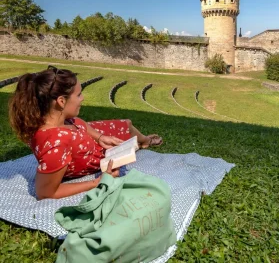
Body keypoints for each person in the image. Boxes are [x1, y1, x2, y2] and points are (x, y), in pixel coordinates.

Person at [9, 66, 163, 200]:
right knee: (126, 131)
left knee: (126, 124)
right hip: (92, 154)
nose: (82, 99)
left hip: (89, 138)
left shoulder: (55, 118)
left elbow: (78, 122)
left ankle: (143, 141)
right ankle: (144, 142)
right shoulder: (56, 144)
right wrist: (97, 182)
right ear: (61, 101)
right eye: (78, 95)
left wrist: (100, 137)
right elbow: (45, 192)